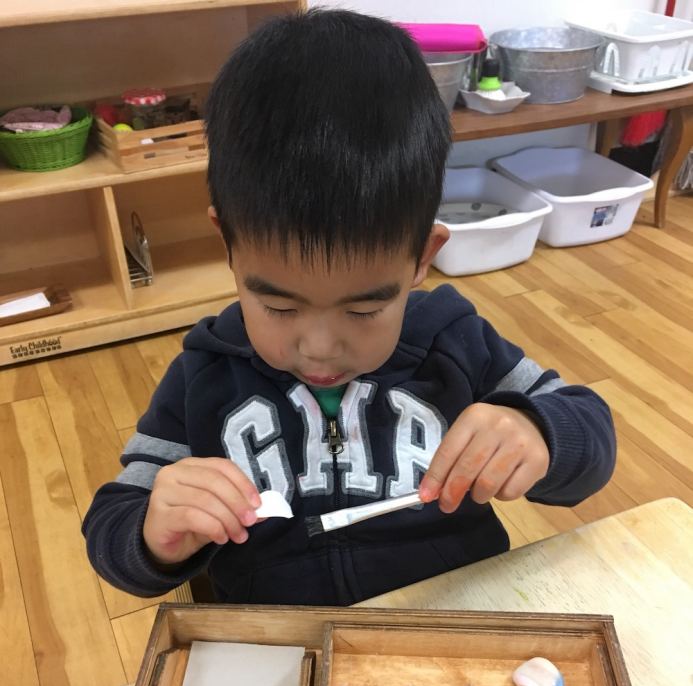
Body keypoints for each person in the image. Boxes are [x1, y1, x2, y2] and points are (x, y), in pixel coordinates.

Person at [83, 9, 616, 606]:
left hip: (450, 625)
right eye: (279, 306)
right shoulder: (204, 374)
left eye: (363, 311)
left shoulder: (454, 341)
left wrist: (538, 430)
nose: (318, 347)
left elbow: (589, 433)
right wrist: (154, 534)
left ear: (422, 257)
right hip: (283, 646)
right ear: (228, 246)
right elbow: (114, 525)